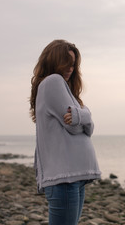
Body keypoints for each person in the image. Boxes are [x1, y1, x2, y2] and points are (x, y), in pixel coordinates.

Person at [29, 39, 101, 225]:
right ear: (53, 61)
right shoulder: (53, 82)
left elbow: (89, 127)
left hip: (72, 177)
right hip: (64, 179)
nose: (71, 68)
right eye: (66, 63)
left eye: (73, 64)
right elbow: (74, 126)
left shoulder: (65, 89)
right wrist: (84, 117)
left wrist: (84, 115)